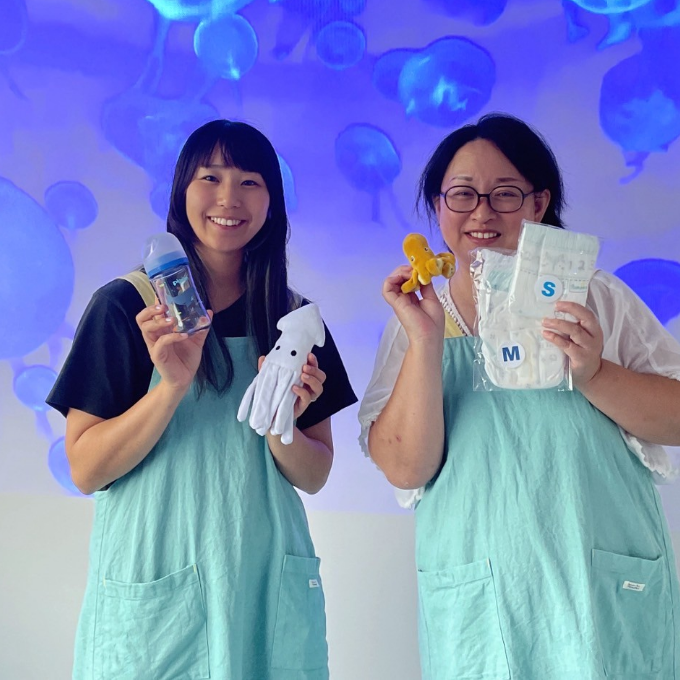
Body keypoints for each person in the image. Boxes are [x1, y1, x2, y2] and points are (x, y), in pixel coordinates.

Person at [358, 113, 680, 679]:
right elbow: (405, 468)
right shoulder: (417, 318)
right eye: (462, 194)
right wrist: (426, 342)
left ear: (538, 204)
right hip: (483, 609)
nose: (482, 213)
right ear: (438, 206)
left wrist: (594, 373)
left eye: (505, 194)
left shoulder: (597, 299)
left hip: (598, 597)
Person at [47, 119, 357, 680]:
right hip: (157, 582)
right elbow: (86, 469)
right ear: (181, 192)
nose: (228, 198)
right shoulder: (127, 308)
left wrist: (279, 420)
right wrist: (170, 387)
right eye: (209, 178)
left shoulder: (295, 321)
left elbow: (313, 475)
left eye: (249, 182)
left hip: (262, 582)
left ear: (272, 203)